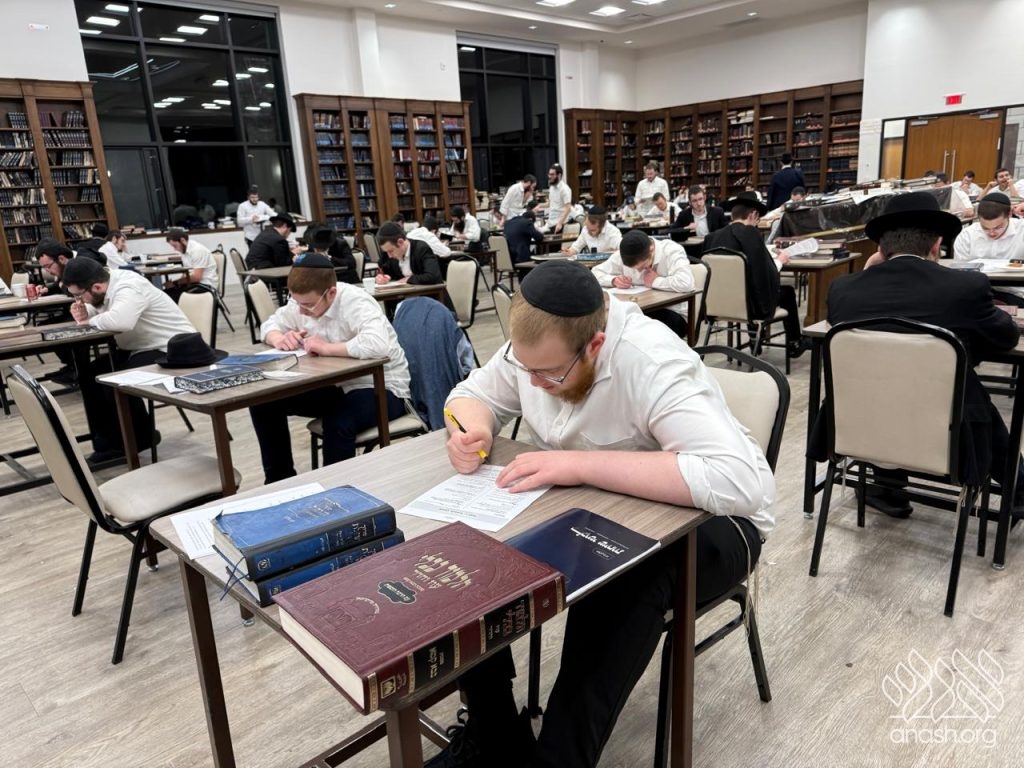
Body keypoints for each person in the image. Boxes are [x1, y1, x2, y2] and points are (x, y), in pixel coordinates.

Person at [431, 259, 774, 768]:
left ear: (594, 344)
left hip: (718, 525)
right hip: (594, 509)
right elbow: (471, 394)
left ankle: (558, 761)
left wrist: (578, 465)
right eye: (526, 370)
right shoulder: (539, 349)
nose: (535, 384)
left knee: (624, 575)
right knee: (463, 551)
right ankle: (495, 734)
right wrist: (472, 429)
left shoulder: (650, 360)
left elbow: (737, 480)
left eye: (549, 374)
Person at [821, 191, 1023, 518]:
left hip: (860, 425)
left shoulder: (843, 289)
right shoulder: (965, 288)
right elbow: (1006, 336)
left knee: (886, 378)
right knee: (965, 386)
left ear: (881, 248)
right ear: (936, 245)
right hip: (946, 434)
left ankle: (886, 486)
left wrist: (869, 270)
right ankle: (1019, 489)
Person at [250, 254, 409, 481]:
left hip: (381, 387)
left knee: (338, 422)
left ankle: (334, 491)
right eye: (297, 302)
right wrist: (279, 338)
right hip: (334, 385)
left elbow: (377, 344)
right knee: (263, 401)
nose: (301, 312)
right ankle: (279, 480)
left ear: (331, 293)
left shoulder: (356, 301)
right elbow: (270, 324)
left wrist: (327, 348)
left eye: (308, 305)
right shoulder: (302, 301)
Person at [62, 258, 196, 464]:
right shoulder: (105, 286)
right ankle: (109, 442)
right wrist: (86, 312)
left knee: (116, 379)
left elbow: (120, 321)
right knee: (90, 375)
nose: (78, 300)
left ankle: (138, 439)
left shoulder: (128, 286)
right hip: (140, 347)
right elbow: (103, 310)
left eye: (79, 295)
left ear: (96, 287)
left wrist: (88, 321)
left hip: (171, 347)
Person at [703, 191, 808, 357]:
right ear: (753, 215)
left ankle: (755, 339)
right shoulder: (750, 234)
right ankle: (795, 342)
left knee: (748, 285)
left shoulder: (711, 238)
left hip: (717, 305)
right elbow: (764, 274)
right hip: (748, 307)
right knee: (785, 292)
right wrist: (780, 260)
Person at [592, 229, 694, 338]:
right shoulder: (627, 253)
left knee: (633, 331)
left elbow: (686, 282)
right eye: (634, 269)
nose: (639, 271)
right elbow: (595, 272)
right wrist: (613, 280)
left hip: (673, 312)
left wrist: (655, 281)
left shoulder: (671, 250)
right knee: (609, 324)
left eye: (643, 266)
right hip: (640, 309)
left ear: (652, 248)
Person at [953, 193, 1024, 304]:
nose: (991, 233)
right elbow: (960, 273)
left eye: (998, 227)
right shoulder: (967, 235)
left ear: (1009, 214)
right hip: (976, 291)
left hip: (1015, 292)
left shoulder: (1021, 230)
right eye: (985, 228)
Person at [375, 221, 443, 285]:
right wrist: (381, 278)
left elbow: (433, 276)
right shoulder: (391, 253)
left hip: (429, 292)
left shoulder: (422, 249)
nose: (389, 256)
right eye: (386, 252)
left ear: (400, 242)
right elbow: (384, 270)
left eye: (391, 251)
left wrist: (409, 279)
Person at [164, 227, 219, 299]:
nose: (175, 249)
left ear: (182, 240)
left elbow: (196, 277)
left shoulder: (198, 250)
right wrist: (176, 284)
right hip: (194, 284)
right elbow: (187, 273)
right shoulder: (184, 250)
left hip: (205, 285)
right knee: (165, 293)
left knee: (169, 297)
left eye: (175, 246)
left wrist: (175, 283)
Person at [536, 164, 572, 234]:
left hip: (559, 224)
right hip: (551, 222)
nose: (549, 176)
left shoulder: (565, 189)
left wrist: (560, 223)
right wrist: (539, 206)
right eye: (549, 174)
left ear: (559, 175)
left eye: (552, 174)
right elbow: (549, 204)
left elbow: (568, 208)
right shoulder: (552, 187)